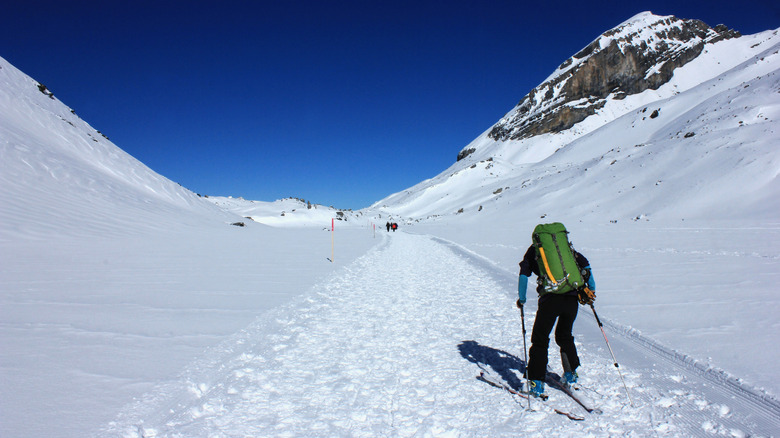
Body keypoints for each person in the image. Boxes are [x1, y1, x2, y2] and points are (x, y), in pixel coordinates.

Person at [516, 229, 596, 398]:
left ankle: (536, 382)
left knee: (540, 339)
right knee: (564, 335)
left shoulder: (535, 251)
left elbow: (524, 275)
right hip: (571, 299)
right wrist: (591, 291)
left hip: (550, 301)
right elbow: (586, 266)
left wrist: (522, 299)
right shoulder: (566, 250)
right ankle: (571, 374)